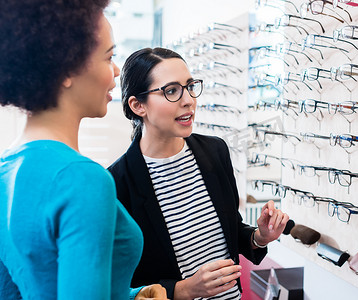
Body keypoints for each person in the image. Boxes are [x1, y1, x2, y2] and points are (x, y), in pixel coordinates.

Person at [0, 1, 166, 299]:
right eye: (108, 57)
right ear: (66, 68)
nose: (116, 71)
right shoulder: (82, 179)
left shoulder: (5, 168)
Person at [107, 47, 289, 300]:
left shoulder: (214, 151)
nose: (188, 100)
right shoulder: (116, 184)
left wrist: (260, 237)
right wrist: (183, 290)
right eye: (171, 91)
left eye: (190, 86)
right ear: (138, 105)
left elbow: (230, 232)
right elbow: (119, 284)